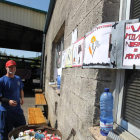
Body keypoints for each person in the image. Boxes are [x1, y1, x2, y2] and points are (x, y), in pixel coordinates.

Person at [0, 60, 26, 140]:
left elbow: (21, 89)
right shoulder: (1, 80)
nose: (12, 69)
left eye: (14, 67)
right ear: (6, 68)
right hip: (6, 112)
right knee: (5, 133)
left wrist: (22, 98)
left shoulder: (18, 78)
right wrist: (8, 101)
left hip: (18, 110)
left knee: (22, 130)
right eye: (10, 67)